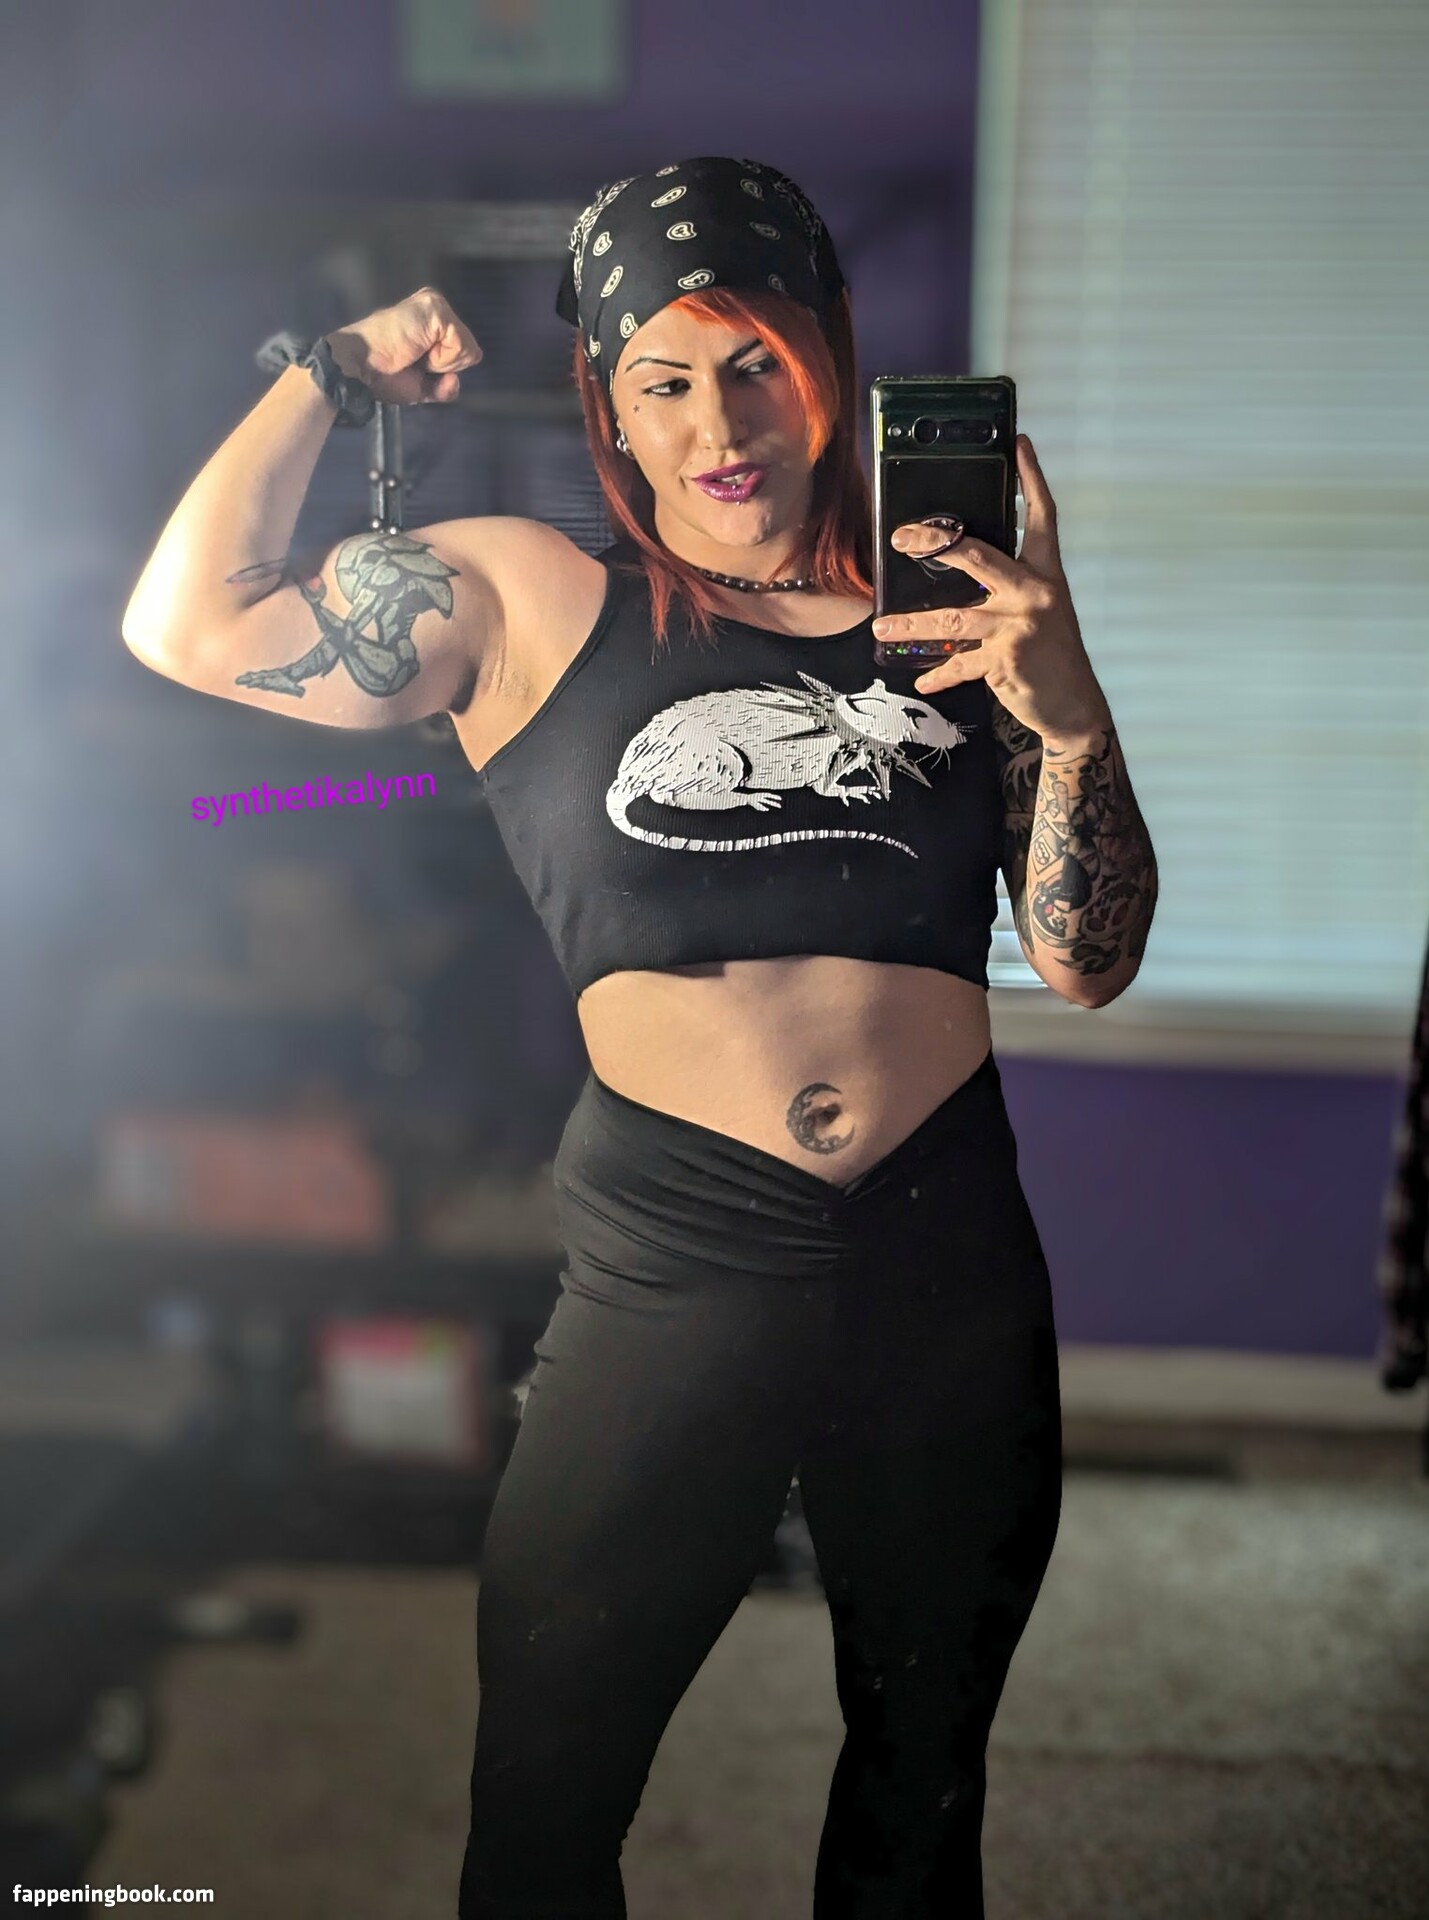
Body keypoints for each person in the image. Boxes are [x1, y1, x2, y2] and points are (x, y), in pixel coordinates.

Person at [123, 154, 1156, 1918]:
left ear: (826, 362)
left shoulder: (958, 621)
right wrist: (336, 370)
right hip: (678, 1260)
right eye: (662, 380)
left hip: (945, 1265)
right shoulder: (530, 597)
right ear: (605, 401)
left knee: (921, 1796)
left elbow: (1085, 961)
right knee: (545, 1803)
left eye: (756, 364)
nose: (718, 426)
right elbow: (188, 623)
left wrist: (1065, 718)